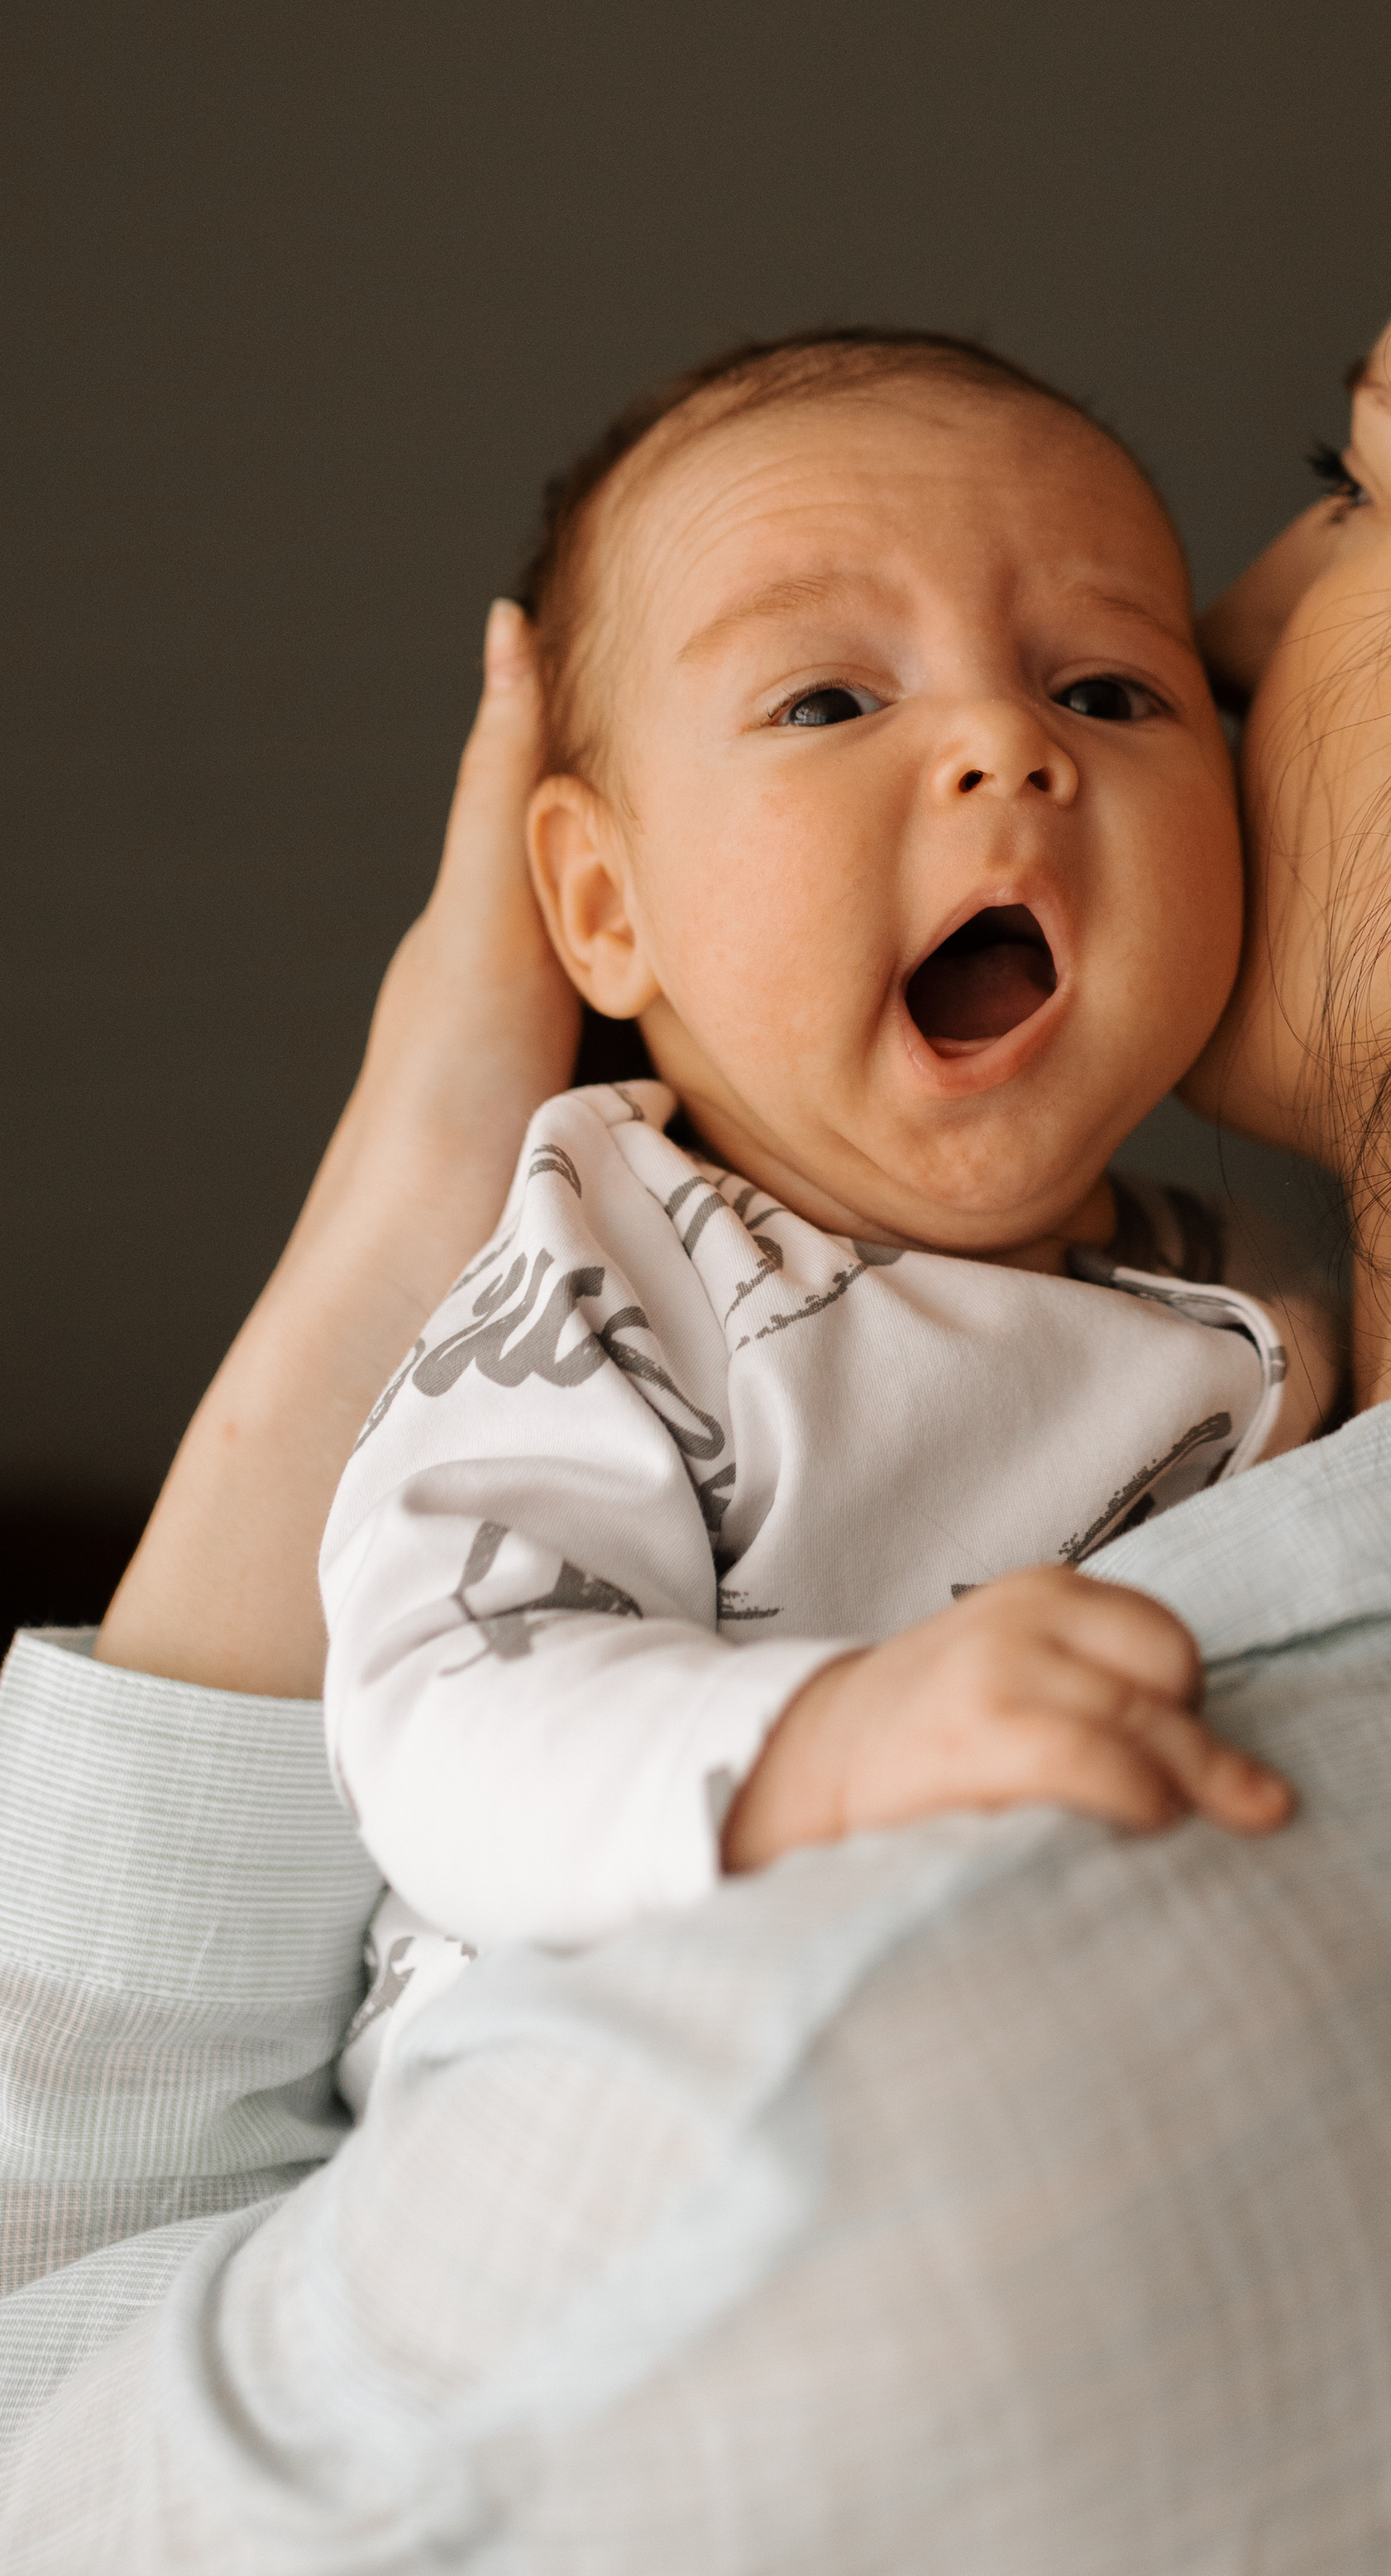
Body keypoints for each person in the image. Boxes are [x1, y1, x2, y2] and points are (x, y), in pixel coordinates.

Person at [0, 0, 1391, 2576]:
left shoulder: (879, 2065)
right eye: (835, 694)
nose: (1219, 629)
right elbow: (483, 1650)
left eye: (1355, 479)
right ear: (597, 888)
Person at [322, 330, 1322, 2107]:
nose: (1008, 745)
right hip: (587, 2117)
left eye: (1105, 690)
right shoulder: (610, 1270)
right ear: (605, 902)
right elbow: (443, 1713)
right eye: (828, 702)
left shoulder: (1268, 1294)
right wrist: (820, 1740)